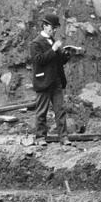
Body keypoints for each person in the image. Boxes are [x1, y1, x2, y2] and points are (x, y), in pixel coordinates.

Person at [29, 12, 74, 145]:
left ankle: (64, 137)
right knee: (42, 111)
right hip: (43, 81)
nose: (54, 30)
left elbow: (58, 62)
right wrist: (53, 50)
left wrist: (66, 55)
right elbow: (39, 60)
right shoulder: (35, 43)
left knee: (60, 110)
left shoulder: (53, 41)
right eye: (52, 28)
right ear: (44, 26)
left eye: (55, 28)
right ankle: (40, 138)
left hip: (56, 81)